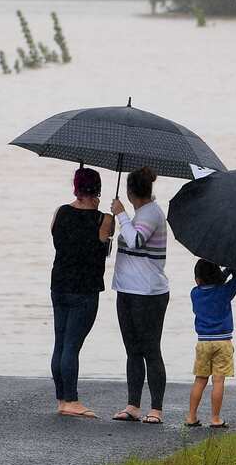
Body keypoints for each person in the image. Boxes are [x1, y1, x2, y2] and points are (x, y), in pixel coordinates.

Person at [50, 167, 113, 418]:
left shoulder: (60, 212)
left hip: (59, 284)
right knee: (72, 346)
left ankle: (61, 398)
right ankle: (72, 400)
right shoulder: (104, 219)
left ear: (76, 187)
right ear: (97, 189)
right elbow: (105, 247)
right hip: (85, 288)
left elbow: (57, 238)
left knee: (60, 343)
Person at [110, 166, 170, 424]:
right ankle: (133, 405)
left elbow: (136, 241)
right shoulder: (137, 215)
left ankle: (156, 408)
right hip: (125, 290)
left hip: (148, 293)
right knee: (132, 350)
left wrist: (121, 214)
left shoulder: (151, 214)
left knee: (150, 350)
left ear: (130, 192)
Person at [185, 260, 236, 429]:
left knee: (200, 380)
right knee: (218, 381)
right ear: (218, 276)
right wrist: (233, 264)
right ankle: (215, 418)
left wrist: (223, 273)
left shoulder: (195, 293)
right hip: (223, 342)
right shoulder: (224, 292)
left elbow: (213, 283)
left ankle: (191, 416)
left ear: (197, 279)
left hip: (203, 342)